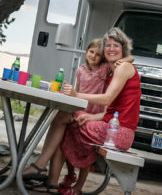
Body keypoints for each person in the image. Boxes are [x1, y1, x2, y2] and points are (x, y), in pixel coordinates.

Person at [23, 27, 140, 194]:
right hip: (111, 126)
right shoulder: (115, 69)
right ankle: (51, 180)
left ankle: (43, 169)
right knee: (64, 124)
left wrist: (77, 94)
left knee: (63, 120)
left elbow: (107, 99)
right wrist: (91, 116)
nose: (111, 49)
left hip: (118, 132)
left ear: (123, 48)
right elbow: (110, 109)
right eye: (108, 46)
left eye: (116, 46)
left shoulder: (122, 67)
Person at [58, 38, 133, 189]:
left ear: (102, 58)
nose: (93, 56)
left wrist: (125, 58)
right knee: (66, 135)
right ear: (86, 52)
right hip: (82, 110)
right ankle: (71, 173)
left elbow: (131, 58)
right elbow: (78, 92)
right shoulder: (80, 71)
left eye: (98, 54)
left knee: (87, 149)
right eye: (91, 52)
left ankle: (79, 185)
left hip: (97, 113)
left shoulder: (105, 69)